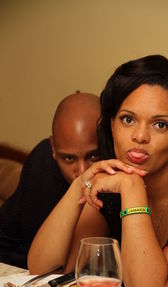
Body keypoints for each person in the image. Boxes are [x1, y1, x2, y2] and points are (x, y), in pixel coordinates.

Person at [28, 55, 168, 287]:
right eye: (128, 119)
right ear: (112, 125)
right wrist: (81, 183)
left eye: (160, 124)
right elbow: (43, 271)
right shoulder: (109, 186)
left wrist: (132, 188)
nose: (140, 136)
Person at [0, 92, 101, 269]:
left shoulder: (111, 185)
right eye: (69, 159)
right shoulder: (42, 158)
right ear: (53, 148)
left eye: (93, 155)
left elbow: (71, 271)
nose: (83, 172)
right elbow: (5, 234)